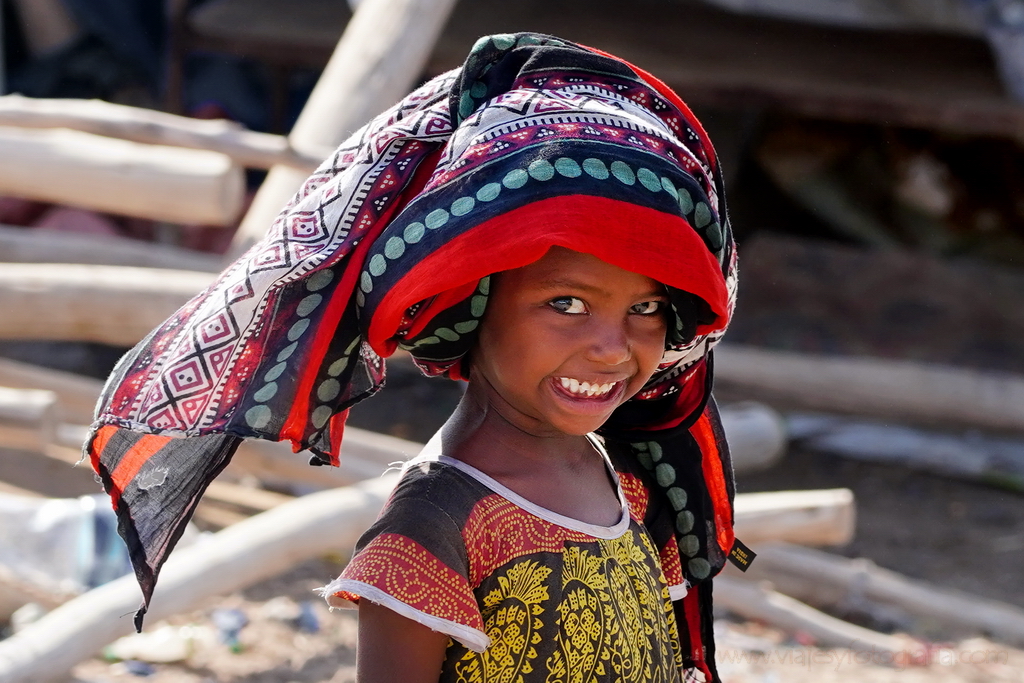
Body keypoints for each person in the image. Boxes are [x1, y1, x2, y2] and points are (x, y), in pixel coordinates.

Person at [86, 32, 738, 683]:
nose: (612, 346)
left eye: (646, 309)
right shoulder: (431, 528)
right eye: (567, 304)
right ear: (471, 302)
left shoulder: (627, 484)